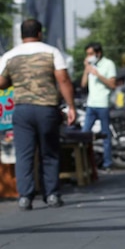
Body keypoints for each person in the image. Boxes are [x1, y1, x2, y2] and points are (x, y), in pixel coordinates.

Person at [0, 19, 77, 210]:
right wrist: (71, 106)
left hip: (22, 110)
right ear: (40, 33)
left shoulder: (10, 56)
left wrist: (15, 81)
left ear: (21, 35)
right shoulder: (51, 52)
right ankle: (51, 194)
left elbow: (1, 82)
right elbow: (63, 79)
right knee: (49, 153)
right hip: (47, 109)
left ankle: (25, 197)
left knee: (24, 154)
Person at [80, 42, 117, 172]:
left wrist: (98, 75)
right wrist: (86, 69)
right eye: (87, 55)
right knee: (84, 134)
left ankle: (107, 163)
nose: (89, 57)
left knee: (105, 134)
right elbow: (83, 84)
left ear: (98, 53)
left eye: (91, 54)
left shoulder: (108, 64)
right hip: (91, 104)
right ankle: (84, 163)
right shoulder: (90, 66)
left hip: (103, 104)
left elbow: (112, 84)